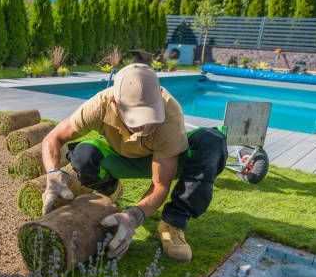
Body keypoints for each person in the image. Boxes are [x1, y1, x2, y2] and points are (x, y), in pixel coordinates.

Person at [41, 63, 228, 262]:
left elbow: (160, 185)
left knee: (213, 143)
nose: (143, 125)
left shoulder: (169, 113)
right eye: (136, 117)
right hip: (123, 155)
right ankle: (110, 189)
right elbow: (52, 139)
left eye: (149, 115)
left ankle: (172, 223)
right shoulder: (99, 105)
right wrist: (53, 175)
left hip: (167, 159)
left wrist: (135, 216)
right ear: (114, 103)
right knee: (83, 155)